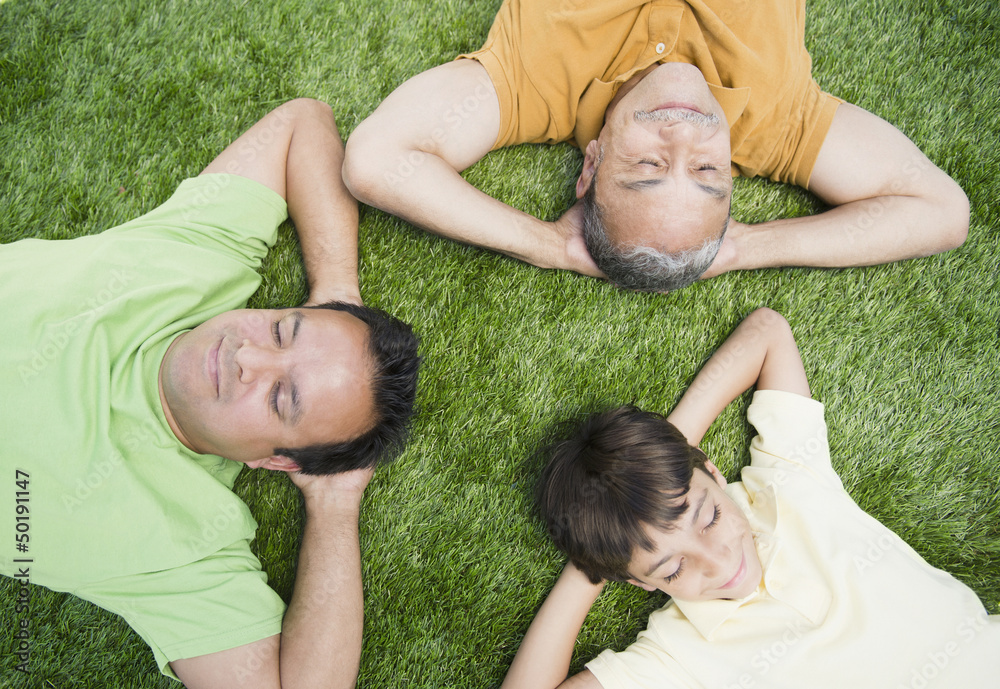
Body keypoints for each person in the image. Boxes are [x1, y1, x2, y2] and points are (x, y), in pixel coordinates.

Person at [0, 98, 420, 688]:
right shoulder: (201, 261)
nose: (245, 356)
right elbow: (304, 122)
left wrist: (334, 506)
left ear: (273, 460)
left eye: (281, 398)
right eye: (281, 329)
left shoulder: (186, 549)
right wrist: (336, 291)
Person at [502, 308, 998, 688]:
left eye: (709, 515)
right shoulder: (676, 653)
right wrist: (594, 563)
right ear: (638, 583)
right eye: (672, 570)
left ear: (712, 471)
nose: (718, 563)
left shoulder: (787, 482)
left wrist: (673, 458)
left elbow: (766, 331)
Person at [343, 0, 969, 292]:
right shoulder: (778, 121)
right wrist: (750, 247)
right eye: (707, 170)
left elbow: (375, 160)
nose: (686, 132)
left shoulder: (531, 83)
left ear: (592, 165)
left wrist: (549, 244)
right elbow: (940, 210)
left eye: (647, 165)